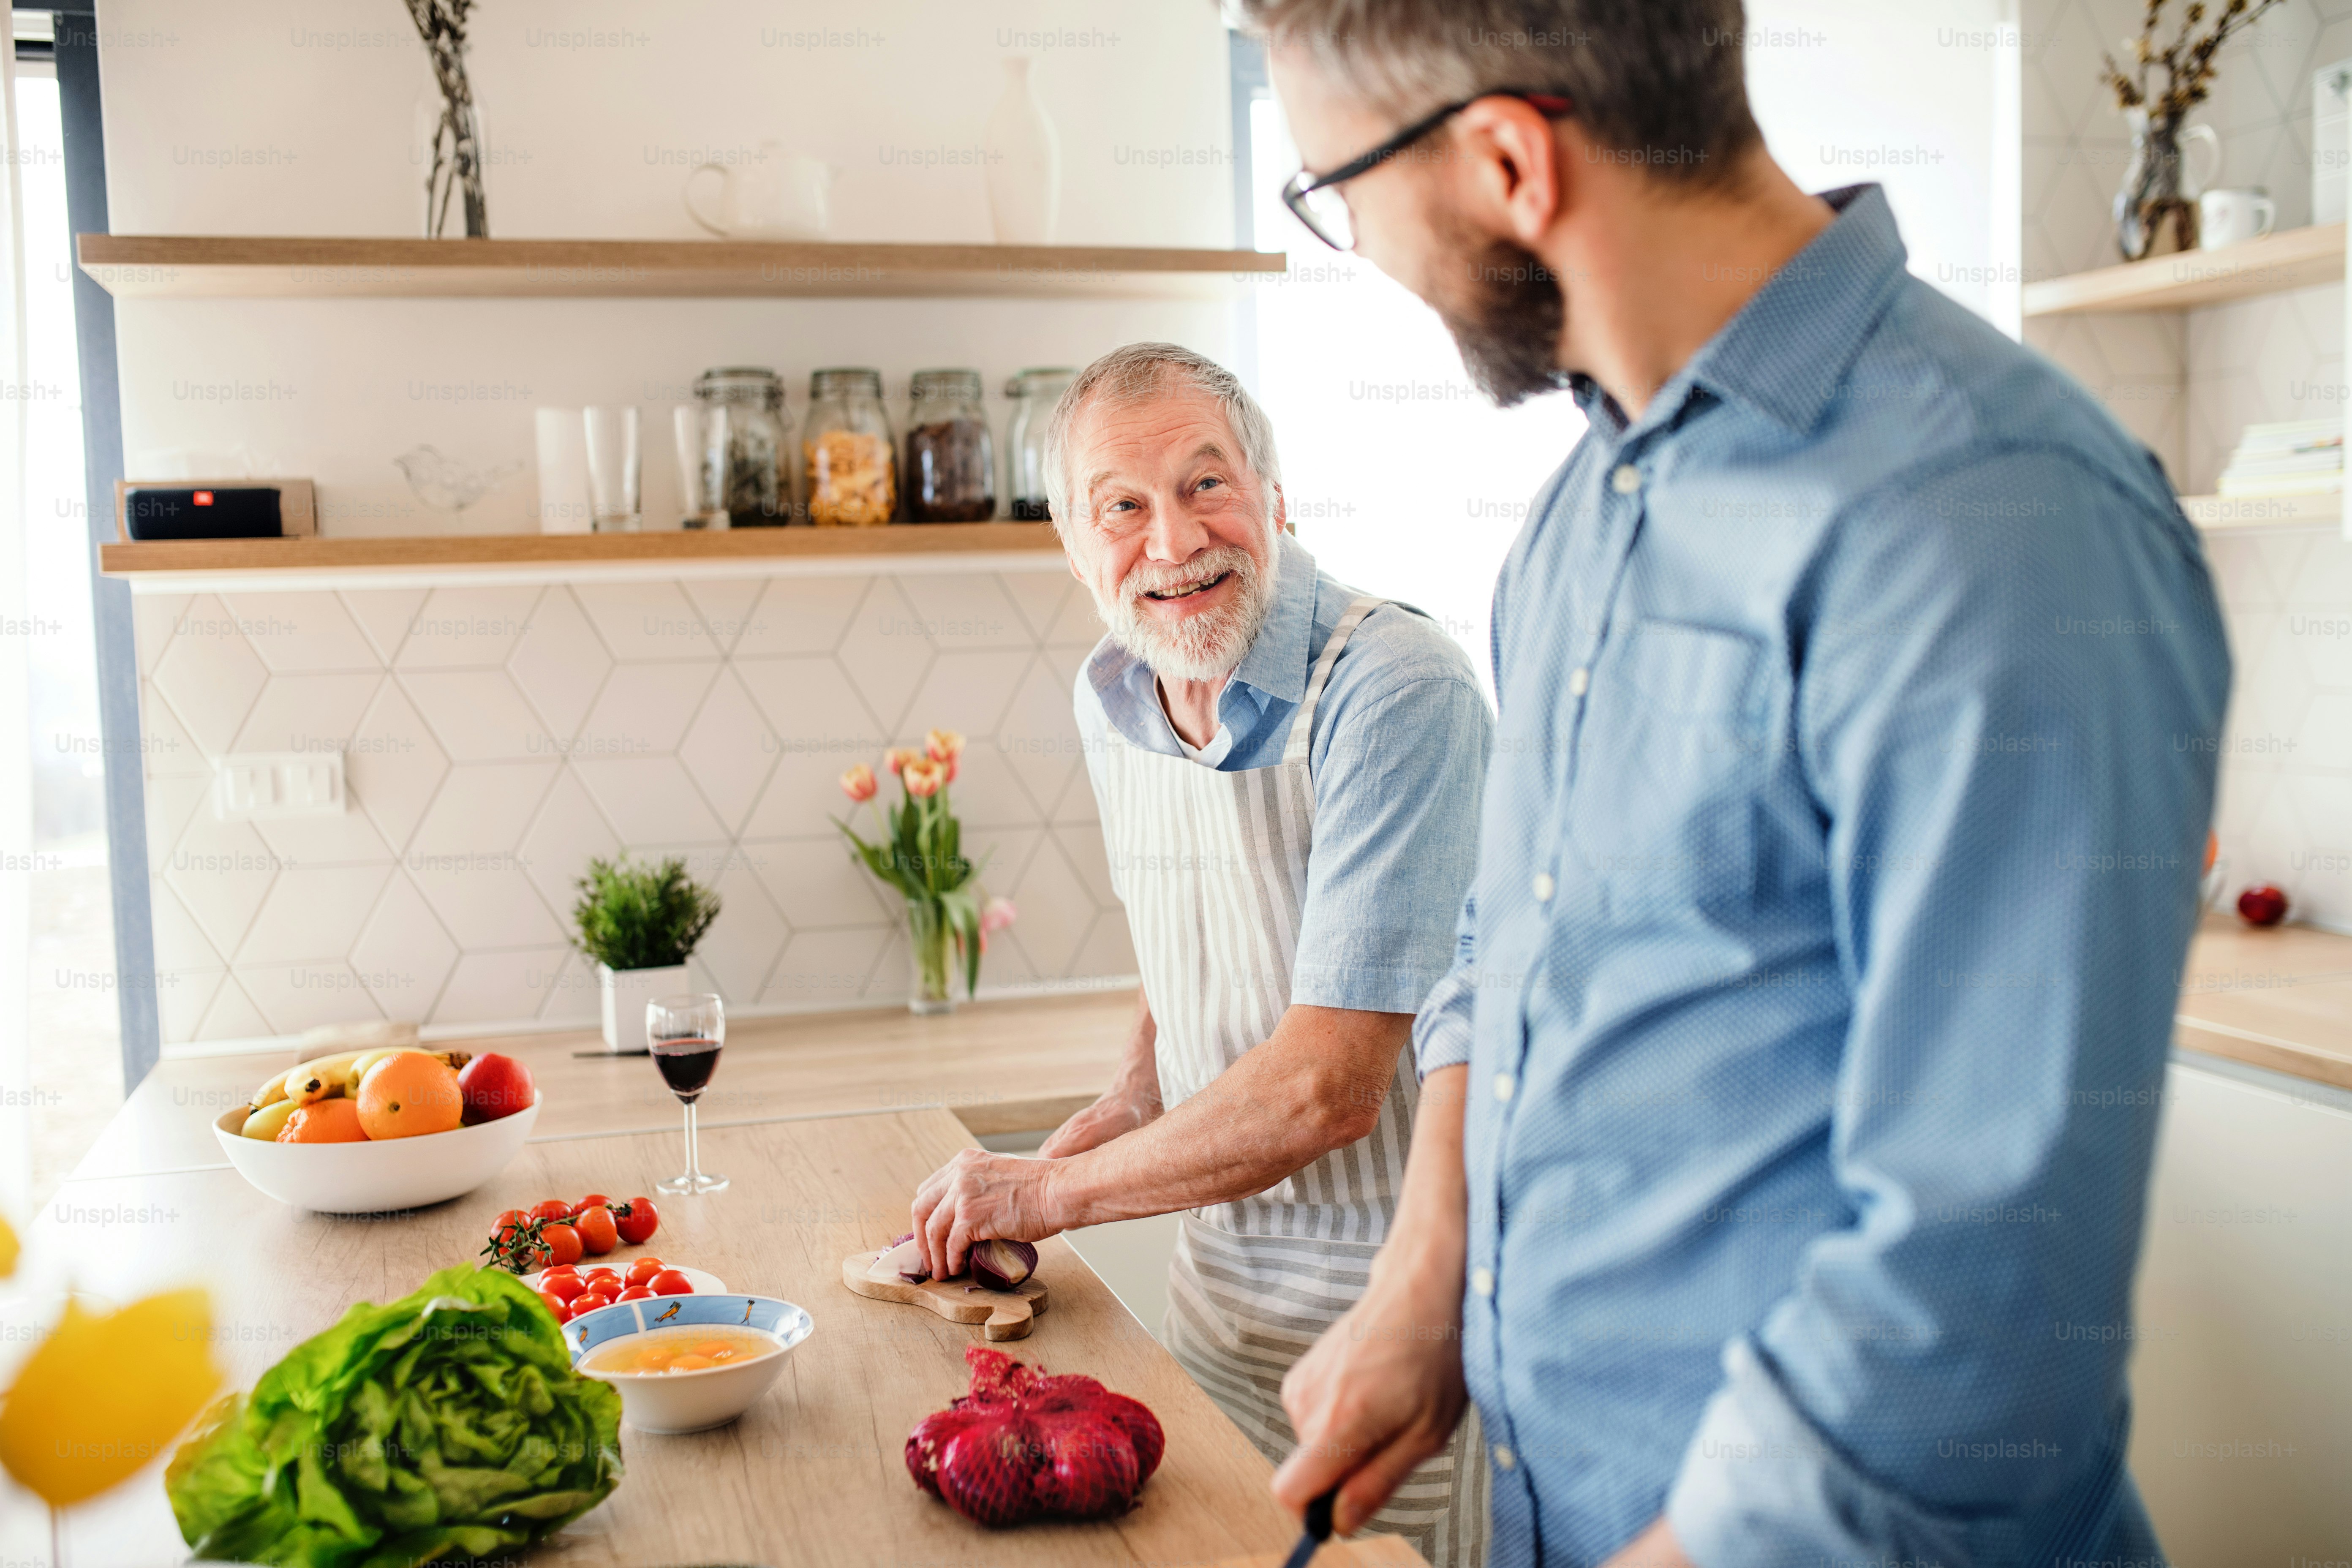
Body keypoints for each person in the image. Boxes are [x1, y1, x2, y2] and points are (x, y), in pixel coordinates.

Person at [1241, 4, 2233, 1566]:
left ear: (1511, 162)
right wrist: (1429, 1286)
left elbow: (1978, 1286)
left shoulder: (1990, 522)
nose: (1361, 248)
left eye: (1338, 193)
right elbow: (1508, 956)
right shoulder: (1583, 515)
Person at [906, 342, 1494, 1565]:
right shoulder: (1116, 690)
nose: (1173, 542)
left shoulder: (1394, 690)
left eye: (1207, 484)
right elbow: (1194, 937)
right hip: (1214, 1300)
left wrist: (1043, 1190)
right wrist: (1126, 1099)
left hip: (1398, 1319)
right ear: (1075, 548)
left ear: (1276, 501)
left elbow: (1329, 1086)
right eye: (1123, 505)